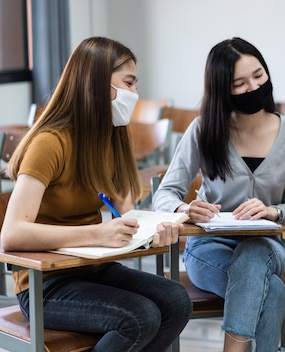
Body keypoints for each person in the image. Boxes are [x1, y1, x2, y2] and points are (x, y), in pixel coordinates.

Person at [0, 37, 192, 352]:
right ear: (94, 84)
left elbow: (126, 214)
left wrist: (155, 229)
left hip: (93, 269)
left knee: (176, 301)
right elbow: (12, 234)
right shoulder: (49, 143)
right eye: (127, 83)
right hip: (44, 284)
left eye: (135, 84)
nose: (134, 94)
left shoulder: (112, 138)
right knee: (139, 317)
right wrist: (98, 233)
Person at [152, 37, 285, 352]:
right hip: (207, 249)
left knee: (253, 257)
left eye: (258, 75)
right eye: (239, 83)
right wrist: (185, 209)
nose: (253, 86)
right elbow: (165, 193)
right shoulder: (204, 130)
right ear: (223, 89)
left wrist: (274, 212)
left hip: (268, 247)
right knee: (273, 292)